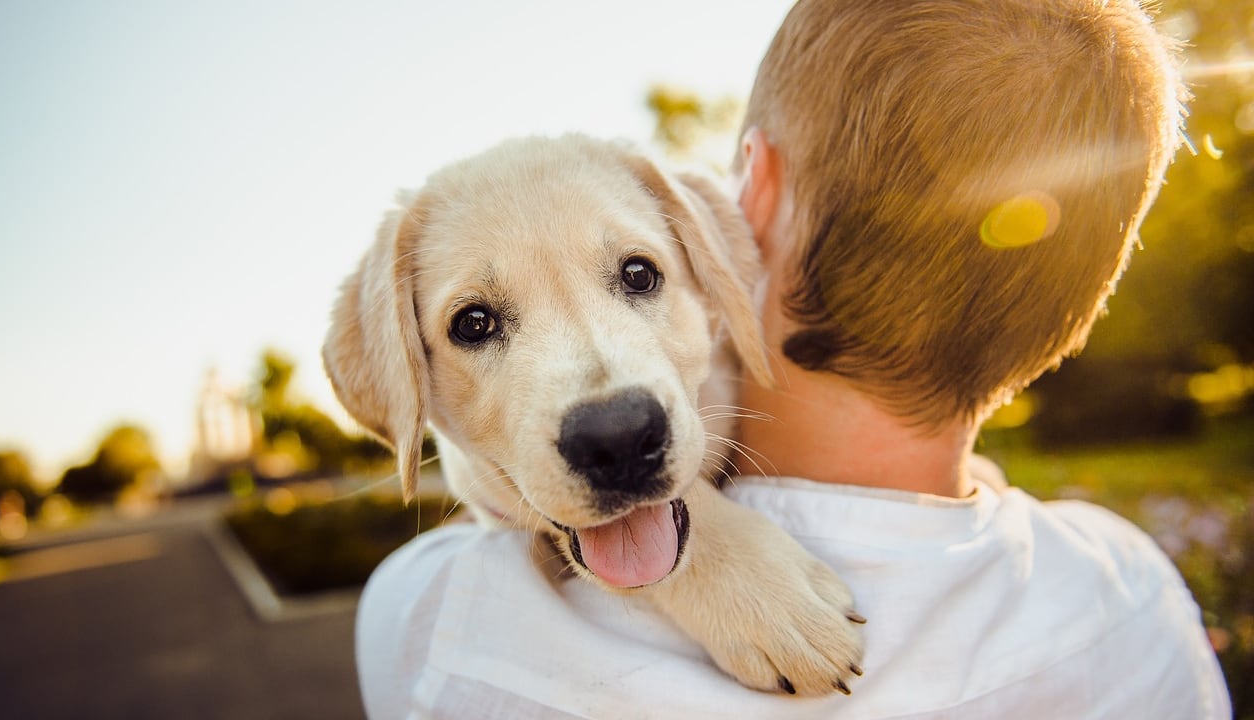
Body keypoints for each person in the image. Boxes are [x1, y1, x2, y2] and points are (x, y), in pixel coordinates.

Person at [355, 0, 1232, 717]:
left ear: (749, 202)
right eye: (476, 325)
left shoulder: (439, 630)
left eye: (635, 274)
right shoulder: (1139, 601)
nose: (609, 406)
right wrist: (703, 552)